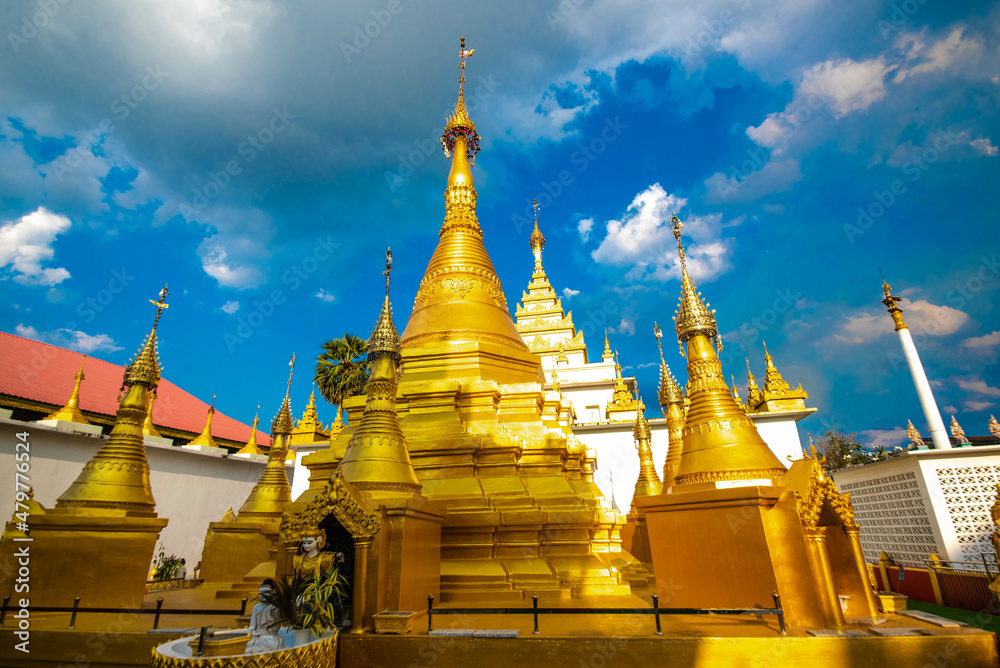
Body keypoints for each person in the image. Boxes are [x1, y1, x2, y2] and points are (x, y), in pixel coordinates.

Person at [246, 578, 284, 654]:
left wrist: (266, 632)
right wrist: (249, 632)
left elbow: (276, 627)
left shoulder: (275, 607)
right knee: (248, 644)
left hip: (270, 636)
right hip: (257, 636)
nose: (262, 594)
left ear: (273, 592)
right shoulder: (257, 607)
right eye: (260, 592)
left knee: (273, 643)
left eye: (266, 592)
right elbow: (252, 626)